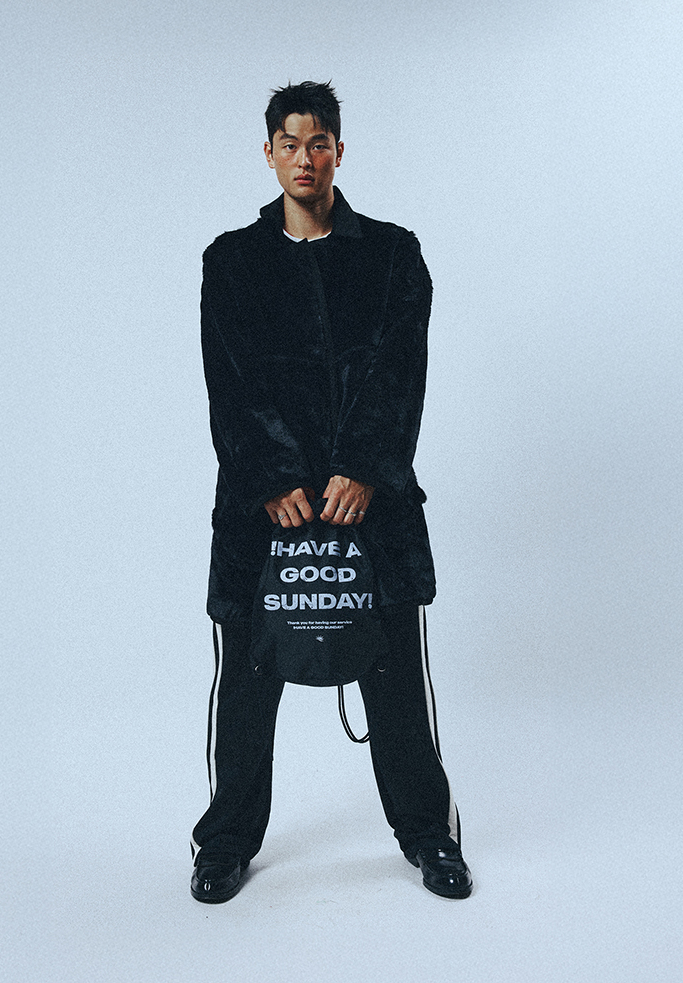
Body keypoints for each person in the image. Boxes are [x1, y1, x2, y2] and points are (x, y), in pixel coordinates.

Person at [191, 81, 472, 902]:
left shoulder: (392, 254)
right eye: (290, 143)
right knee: (247, 686)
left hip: (371, 509)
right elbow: (228, 383)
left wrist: (364, 467)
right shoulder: (231, 261)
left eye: (319, 143)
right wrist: (272, 476)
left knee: (396, 681)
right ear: (269, 153)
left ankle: (429, 835)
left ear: (339, 151)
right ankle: (224, 842)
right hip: (263, 515)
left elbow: (401, 370)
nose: (305, 158)